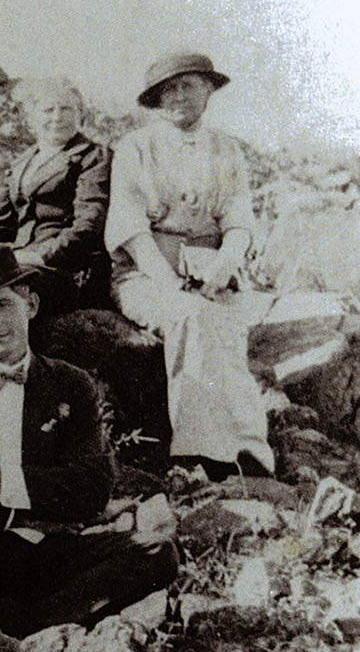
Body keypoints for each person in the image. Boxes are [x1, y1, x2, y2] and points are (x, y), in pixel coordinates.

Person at [0, 245, 176, 636]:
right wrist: (21, 509)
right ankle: (43, 622)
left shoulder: (71, 383)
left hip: (51, 549)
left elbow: (91, 488)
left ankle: (12, 625)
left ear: (31, 305)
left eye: (2, 305)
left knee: (157, 552)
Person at [105, 53, 282, 475]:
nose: (178, 96)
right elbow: (130, 229)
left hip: (213, 271)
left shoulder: (226, 148)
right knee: (191, 316)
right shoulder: (135, 147)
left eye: (188, 85)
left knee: (226, 324)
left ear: (208, 90)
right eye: (168, 89)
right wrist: (170, 283)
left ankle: (248, 449)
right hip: (146, 273)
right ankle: (199, 451)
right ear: (155, 100)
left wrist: (223, 266)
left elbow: (239, 219)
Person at [0, 77, 111, 313]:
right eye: (48, 110)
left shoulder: (94, 157)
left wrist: (38, 256)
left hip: (65, 268)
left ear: (81, 115)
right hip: (19, 262)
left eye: (67, 109)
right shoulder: (22, 162)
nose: (57, 117)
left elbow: (88, 225)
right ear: (31, 119)